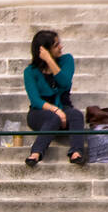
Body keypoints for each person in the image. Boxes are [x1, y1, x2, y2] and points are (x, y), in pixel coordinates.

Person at [23, 29, 86, 167]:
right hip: (39, 112)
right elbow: (35, 100)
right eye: (56, 45)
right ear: (44, 50)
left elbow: (65, 82)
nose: (60, 47)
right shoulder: (30, 71)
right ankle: (36, 153)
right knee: (53, 117)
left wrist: (50, 61)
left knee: (76, 115)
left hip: (64, 106)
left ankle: (76, 152)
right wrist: (56, 111)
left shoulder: (67, 60)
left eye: (59, 43)